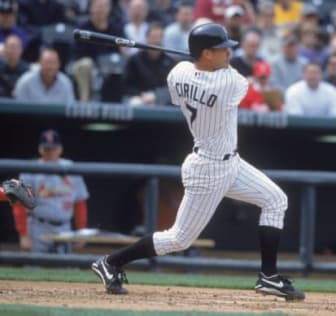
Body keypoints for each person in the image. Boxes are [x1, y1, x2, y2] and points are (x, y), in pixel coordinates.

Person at [90, 22, 305, 301]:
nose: (228, 53)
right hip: (209, 169)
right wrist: (202, 57)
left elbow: (190, 69)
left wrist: (198, 56)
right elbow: (239, 78)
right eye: (222, 49)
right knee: (179, 239)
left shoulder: (177, 74)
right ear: (206, 54)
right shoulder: (229, 82)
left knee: (276, 200)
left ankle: (269, 277)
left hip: (231, 163)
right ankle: (111, 262)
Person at [12, 129, 89, 253]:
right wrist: (23, 235)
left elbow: (80, 203)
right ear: (40, 149)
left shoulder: (71, 168)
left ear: (60, 149)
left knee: (65, 270)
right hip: (39, 227)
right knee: (34, 269)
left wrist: (81, 230)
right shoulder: (30, 170)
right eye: (46, 148)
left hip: (65, 228)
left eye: (53, 148)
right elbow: (19, 205)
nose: (50, 152)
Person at [123, 23, 176, 106]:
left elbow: (172, 87)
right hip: (139, 98)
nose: (157, 41)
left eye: (160, 37)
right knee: (135, 103)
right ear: (147, 39)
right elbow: (126, 85)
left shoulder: (170, 62)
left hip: (162, 99)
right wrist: (141, 94)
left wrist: (156, 95)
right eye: (154, 37)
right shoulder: (135, 60)